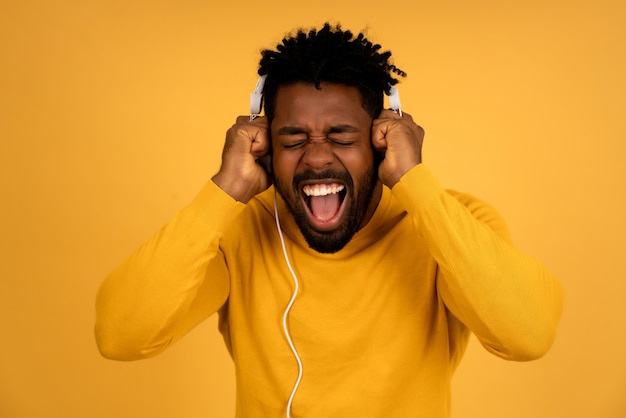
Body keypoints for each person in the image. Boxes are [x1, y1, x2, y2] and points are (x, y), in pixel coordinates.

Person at [95, 23, 563, 417]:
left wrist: (415, 182)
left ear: (383, 138)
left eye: (341, 135)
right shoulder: (238, 229)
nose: (317, 157)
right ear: (263, 143)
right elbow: (121, 335)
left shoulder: (452, 222)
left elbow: (528, 335)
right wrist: (224, 192)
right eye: (293, 137)